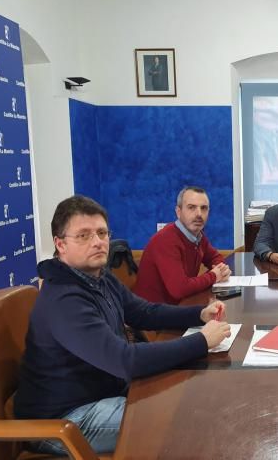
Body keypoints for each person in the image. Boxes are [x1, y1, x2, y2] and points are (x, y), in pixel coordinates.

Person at [14, 195, 231, 455]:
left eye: (102, 233)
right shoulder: (63, 299)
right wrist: (202, 341)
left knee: (193, 398)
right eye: (83, 235)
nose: (97, 242)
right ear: (60, 244)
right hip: (65, 419)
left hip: (103, 392)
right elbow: (124, 360)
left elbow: (144, 313)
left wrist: (199, 315)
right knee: (184, 418)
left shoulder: (98, 276)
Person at [134, 186, 231, 305]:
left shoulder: (198, 236)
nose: (199, 214)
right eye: (191, 207)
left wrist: (218, 272)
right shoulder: (165, 240)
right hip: (152, 316)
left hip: (178, 307)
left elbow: (218, 260)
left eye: (204, 208)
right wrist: (213, 276)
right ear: (178, 212)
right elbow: (180, 289)